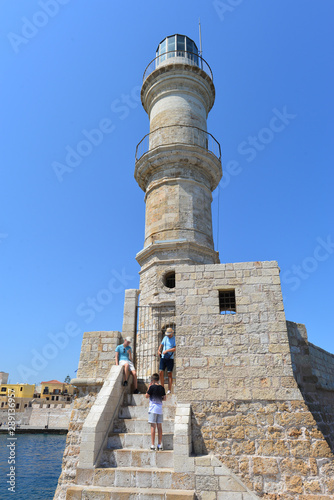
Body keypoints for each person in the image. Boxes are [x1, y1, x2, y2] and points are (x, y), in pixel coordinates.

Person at [145, 373, 166, 450]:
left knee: (153, 426)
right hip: (159, 408)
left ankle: (153, 445)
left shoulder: (151, 387)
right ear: (158, 379)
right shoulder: (162, 388)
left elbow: (146, 396)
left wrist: (149, 387)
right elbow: (165, 398)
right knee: (159, 427)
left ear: (153, 380)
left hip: (153, 408)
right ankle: (159, 445)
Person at [158, 327, 176, 394]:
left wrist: (167, 350)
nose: (168, 335)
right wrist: (159, 350)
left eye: (169, 334)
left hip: (170, 358)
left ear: (172, 333)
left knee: (169, 374)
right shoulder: (165, 338)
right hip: (163, 357)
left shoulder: (174, 339)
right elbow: (161, 345)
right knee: (160, 372)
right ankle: (162, 388)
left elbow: (174, 349)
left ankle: (169, 389)